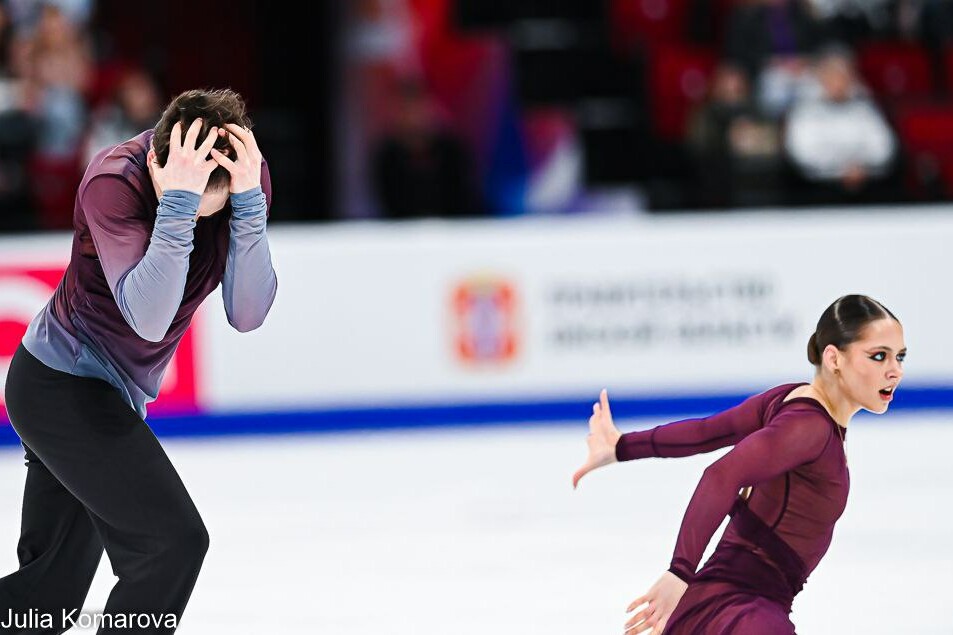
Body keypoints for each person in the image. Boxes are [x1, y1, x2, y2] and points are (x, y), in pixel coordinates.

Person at [0, 88, 277, 634]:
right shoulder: (113, 182)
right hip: (60, 385)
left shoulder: (243, 178)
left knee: (47, 600)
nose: (201, 218)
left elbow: (247, 314)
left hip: (107, 395)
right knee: (171, 543)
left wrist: (249, 206)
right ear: (159, 165)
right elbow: (148, 318)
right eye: (188, 200)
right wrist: (178, 207)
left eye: (211, 209)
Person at [573, 294, 905, 634]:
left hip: (720, 604)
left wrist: (621, 446)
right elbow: (721, 475)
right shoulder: (809, 426)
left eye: (900, 356)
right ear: (834, 358)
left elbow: (705, 432)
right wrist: (679, 571)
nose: (895, 370)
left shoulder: (790, 400)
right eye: (879, 356)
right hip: (742, 612)